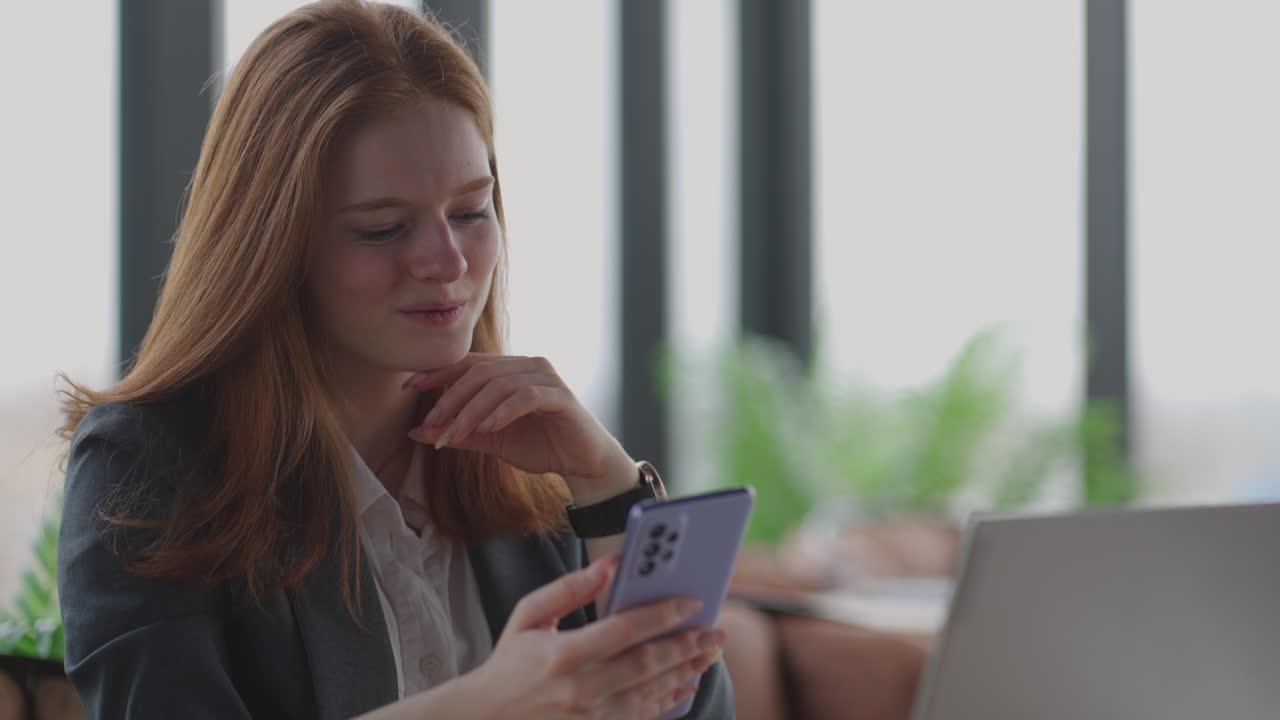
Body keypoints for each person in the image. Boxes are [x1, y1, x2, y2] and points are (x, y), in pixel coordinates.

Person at [55, 1, 732, 718]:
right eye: (382, 229)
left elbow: (691, 706)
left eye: (472, 212)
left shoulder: (524, 466)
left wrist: (609, 485)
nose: (446, 262)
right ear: (275, 247)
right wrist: (486, 707)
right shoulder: (145, 470)